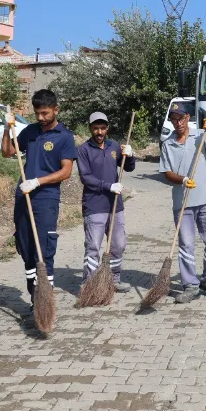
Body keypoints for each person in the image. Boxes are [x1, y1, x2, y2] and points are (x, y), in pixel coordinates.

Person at [2, 89, 77, 312]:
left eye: (45, 113)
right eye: (37, 114)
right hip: (23, 197)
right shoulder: (31, 131)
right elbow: (7, 153)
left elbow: (66, 172)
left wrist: (37, 182)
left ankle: (44, 305)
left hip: (45, 199)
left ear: (56, 109)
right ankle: (35, 299)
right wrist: (8, 129)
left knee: (43, 252)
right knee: (25, 249)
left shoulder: (65, 137)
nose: (41, 118)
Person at [159, 103, 206, 304]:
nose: (178, 123)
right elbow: (166, 172)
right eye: (174, 119)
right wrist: (181, 180)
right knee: (186, 245)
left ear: (188, 117)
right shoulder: (168, 144)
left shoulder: (200, 135)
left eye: (181, 118)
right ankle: (190, 285)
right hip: (183, 203)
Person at [76, 111, 136, 292]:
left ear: (107, 129)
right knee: (93, 246)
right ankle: (90, 284)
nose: (99, 132)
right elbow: (85, 177)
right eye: (96, 128)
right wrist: (108, 186)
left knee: (118, 244)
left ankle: (114, 279)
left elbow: (129, 167)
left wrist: (130, 155)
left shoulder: (114, 146)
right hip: (94, 205)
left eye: (102, 128)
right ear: (90, 129)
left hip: (115, 205)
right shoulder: (83, 150)